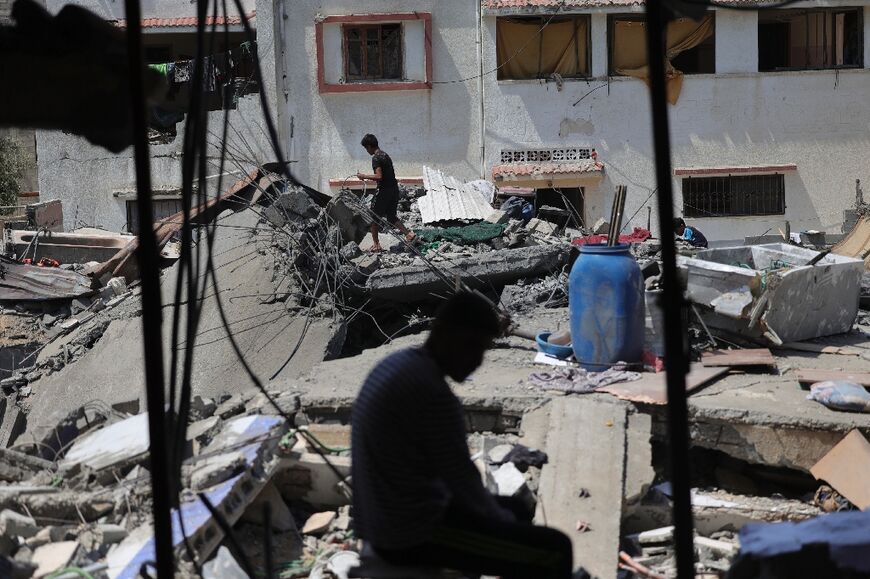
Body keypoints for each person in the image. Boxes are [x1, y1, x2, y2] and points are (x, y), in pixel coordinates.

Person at [351, 292, 574, 579]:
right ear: (445, 334)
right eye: (472, 348)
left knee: (516, 508)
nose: (477, 361)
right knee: (556, 549)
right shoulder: (433, 394)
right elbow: (462, 482)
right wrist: (499, 523)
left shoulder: (401, 364)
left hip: (381, 516)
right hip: (408, 534)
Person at [357, 134, 415, 252]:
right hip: (394, 189)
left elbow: (379, 176)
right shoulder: (385, 155)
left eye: (366, 148)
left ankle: (376, 244)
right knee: (391, 217)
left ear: (369, 146)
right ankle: (409, 234)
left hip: (384, 191)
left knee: (373, 217)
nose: (367, 151)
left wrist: (363, 176)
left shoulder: (376, 158)